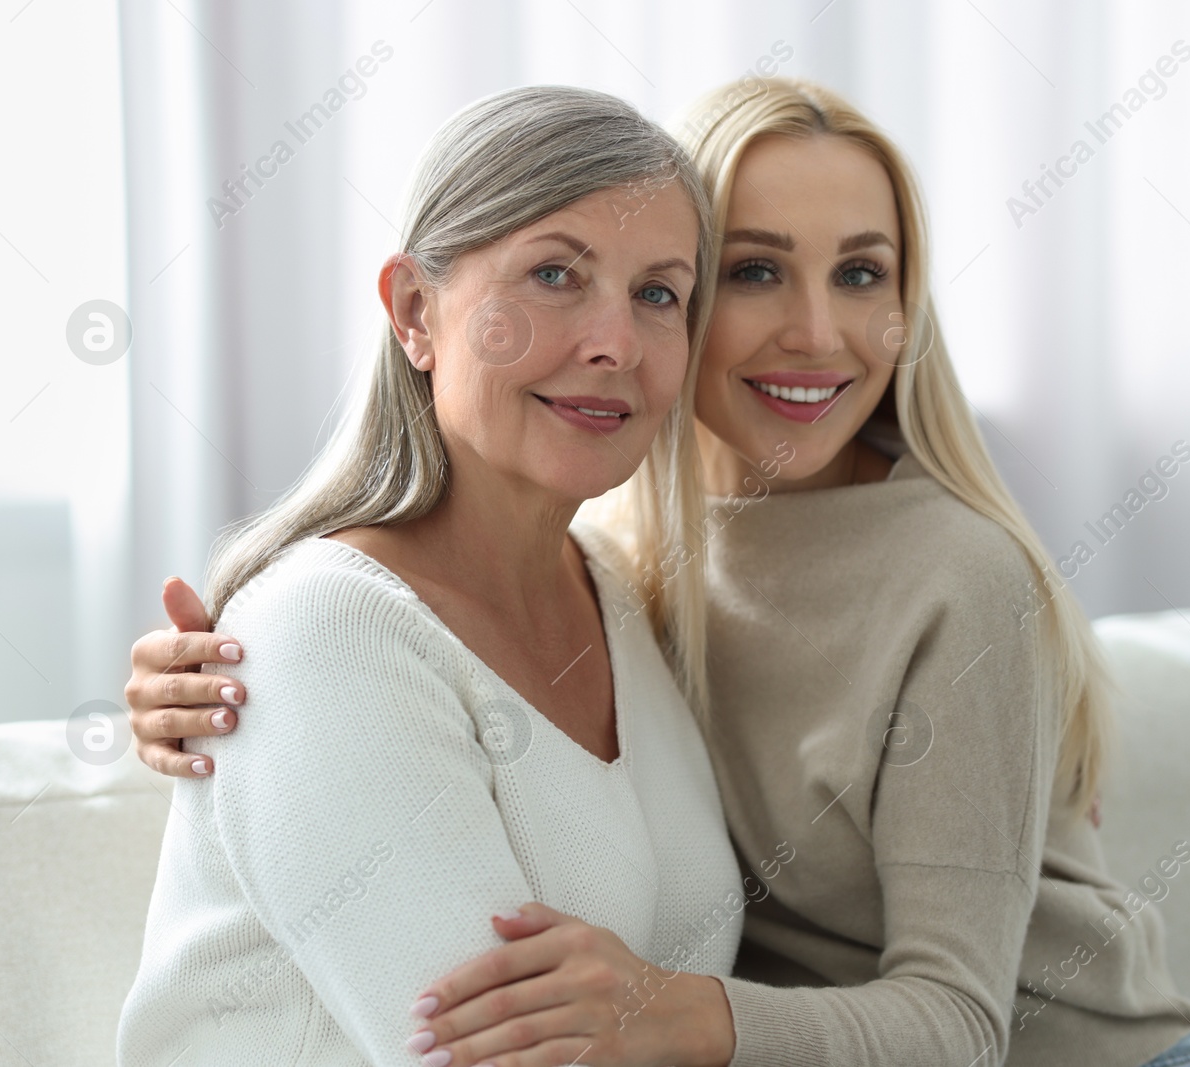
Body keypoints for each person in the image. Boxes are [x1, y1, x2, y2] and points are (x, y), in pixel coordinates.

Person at [125, 80, 1190, 1067]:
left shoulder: (926, 573)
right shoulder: (621, 569)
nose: (814, 328)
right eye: (754, 270)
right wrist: (222, 681)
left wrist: (682, 1013)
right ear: (416, 311)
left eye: (656, 289)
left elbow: (951, 1024)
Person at [117, 85, 746, 1067]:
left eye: (657, 293)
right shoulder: (320, 632)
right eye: (553, 273)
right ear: (416, 310)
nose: (614, 343)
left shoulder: (619, 595)